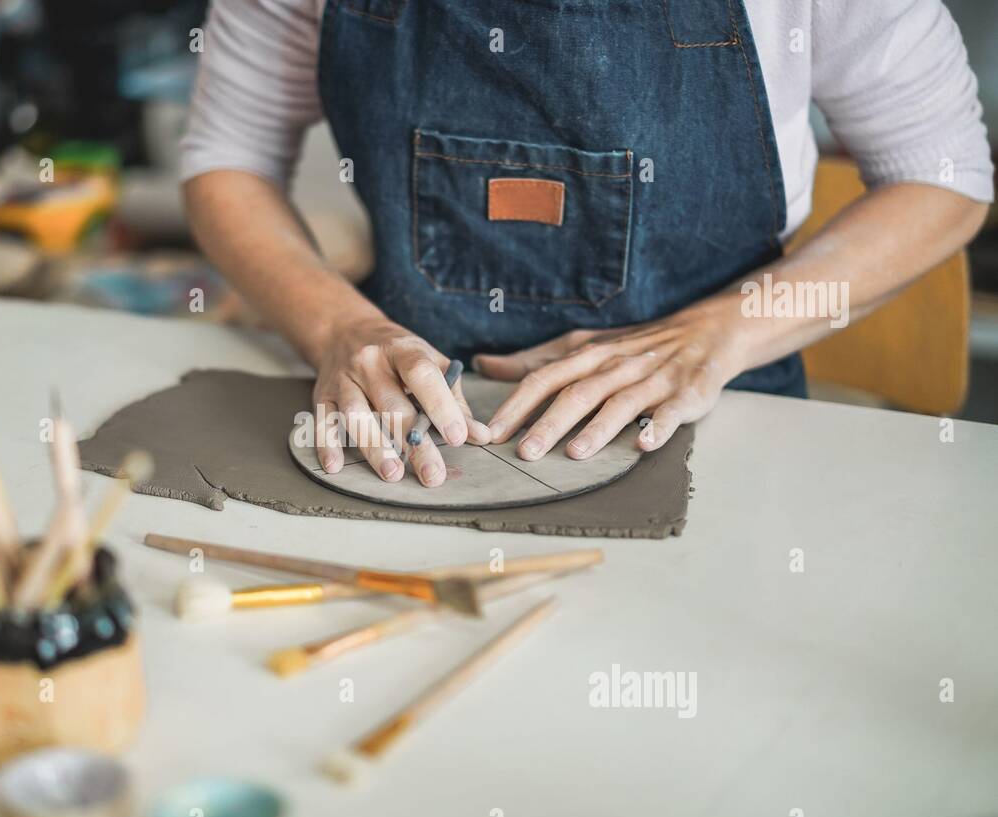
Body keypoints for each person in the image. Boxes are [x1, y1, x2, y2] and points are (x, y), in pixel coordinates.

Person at [181, 0, 993, 488]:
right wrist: (338, 329)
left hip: (716, 418)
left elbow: (943, 177)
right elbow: (228, 157)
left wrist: (716, 336)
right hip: (403, 431)